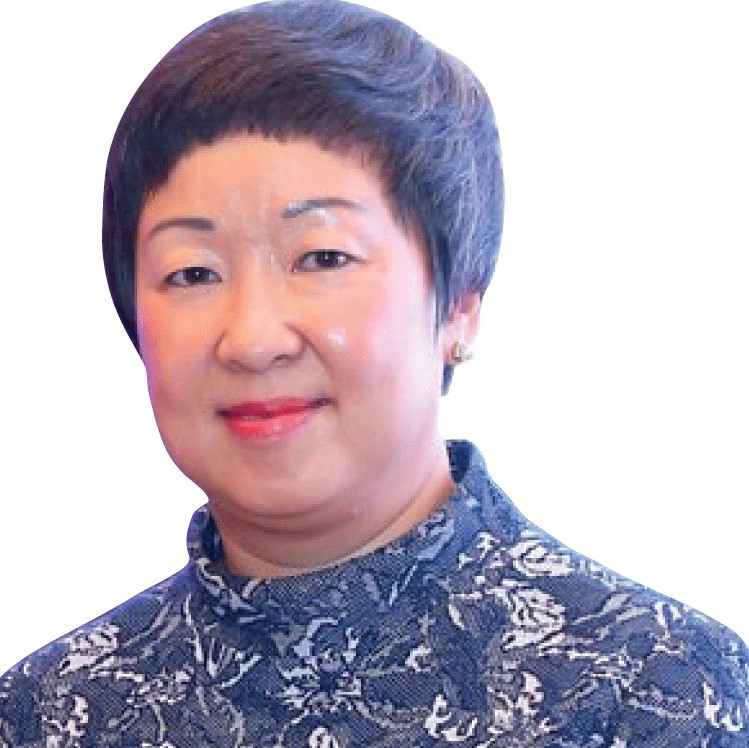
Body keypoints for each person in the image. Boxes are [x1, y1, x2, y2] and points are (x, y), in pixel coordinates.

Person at [1, 1, 747, 745]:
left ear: (458, 308)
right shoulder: (50, 712)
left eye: (323, 257)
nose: (253, 339)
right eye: (192, 272)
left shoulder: (653, 688)